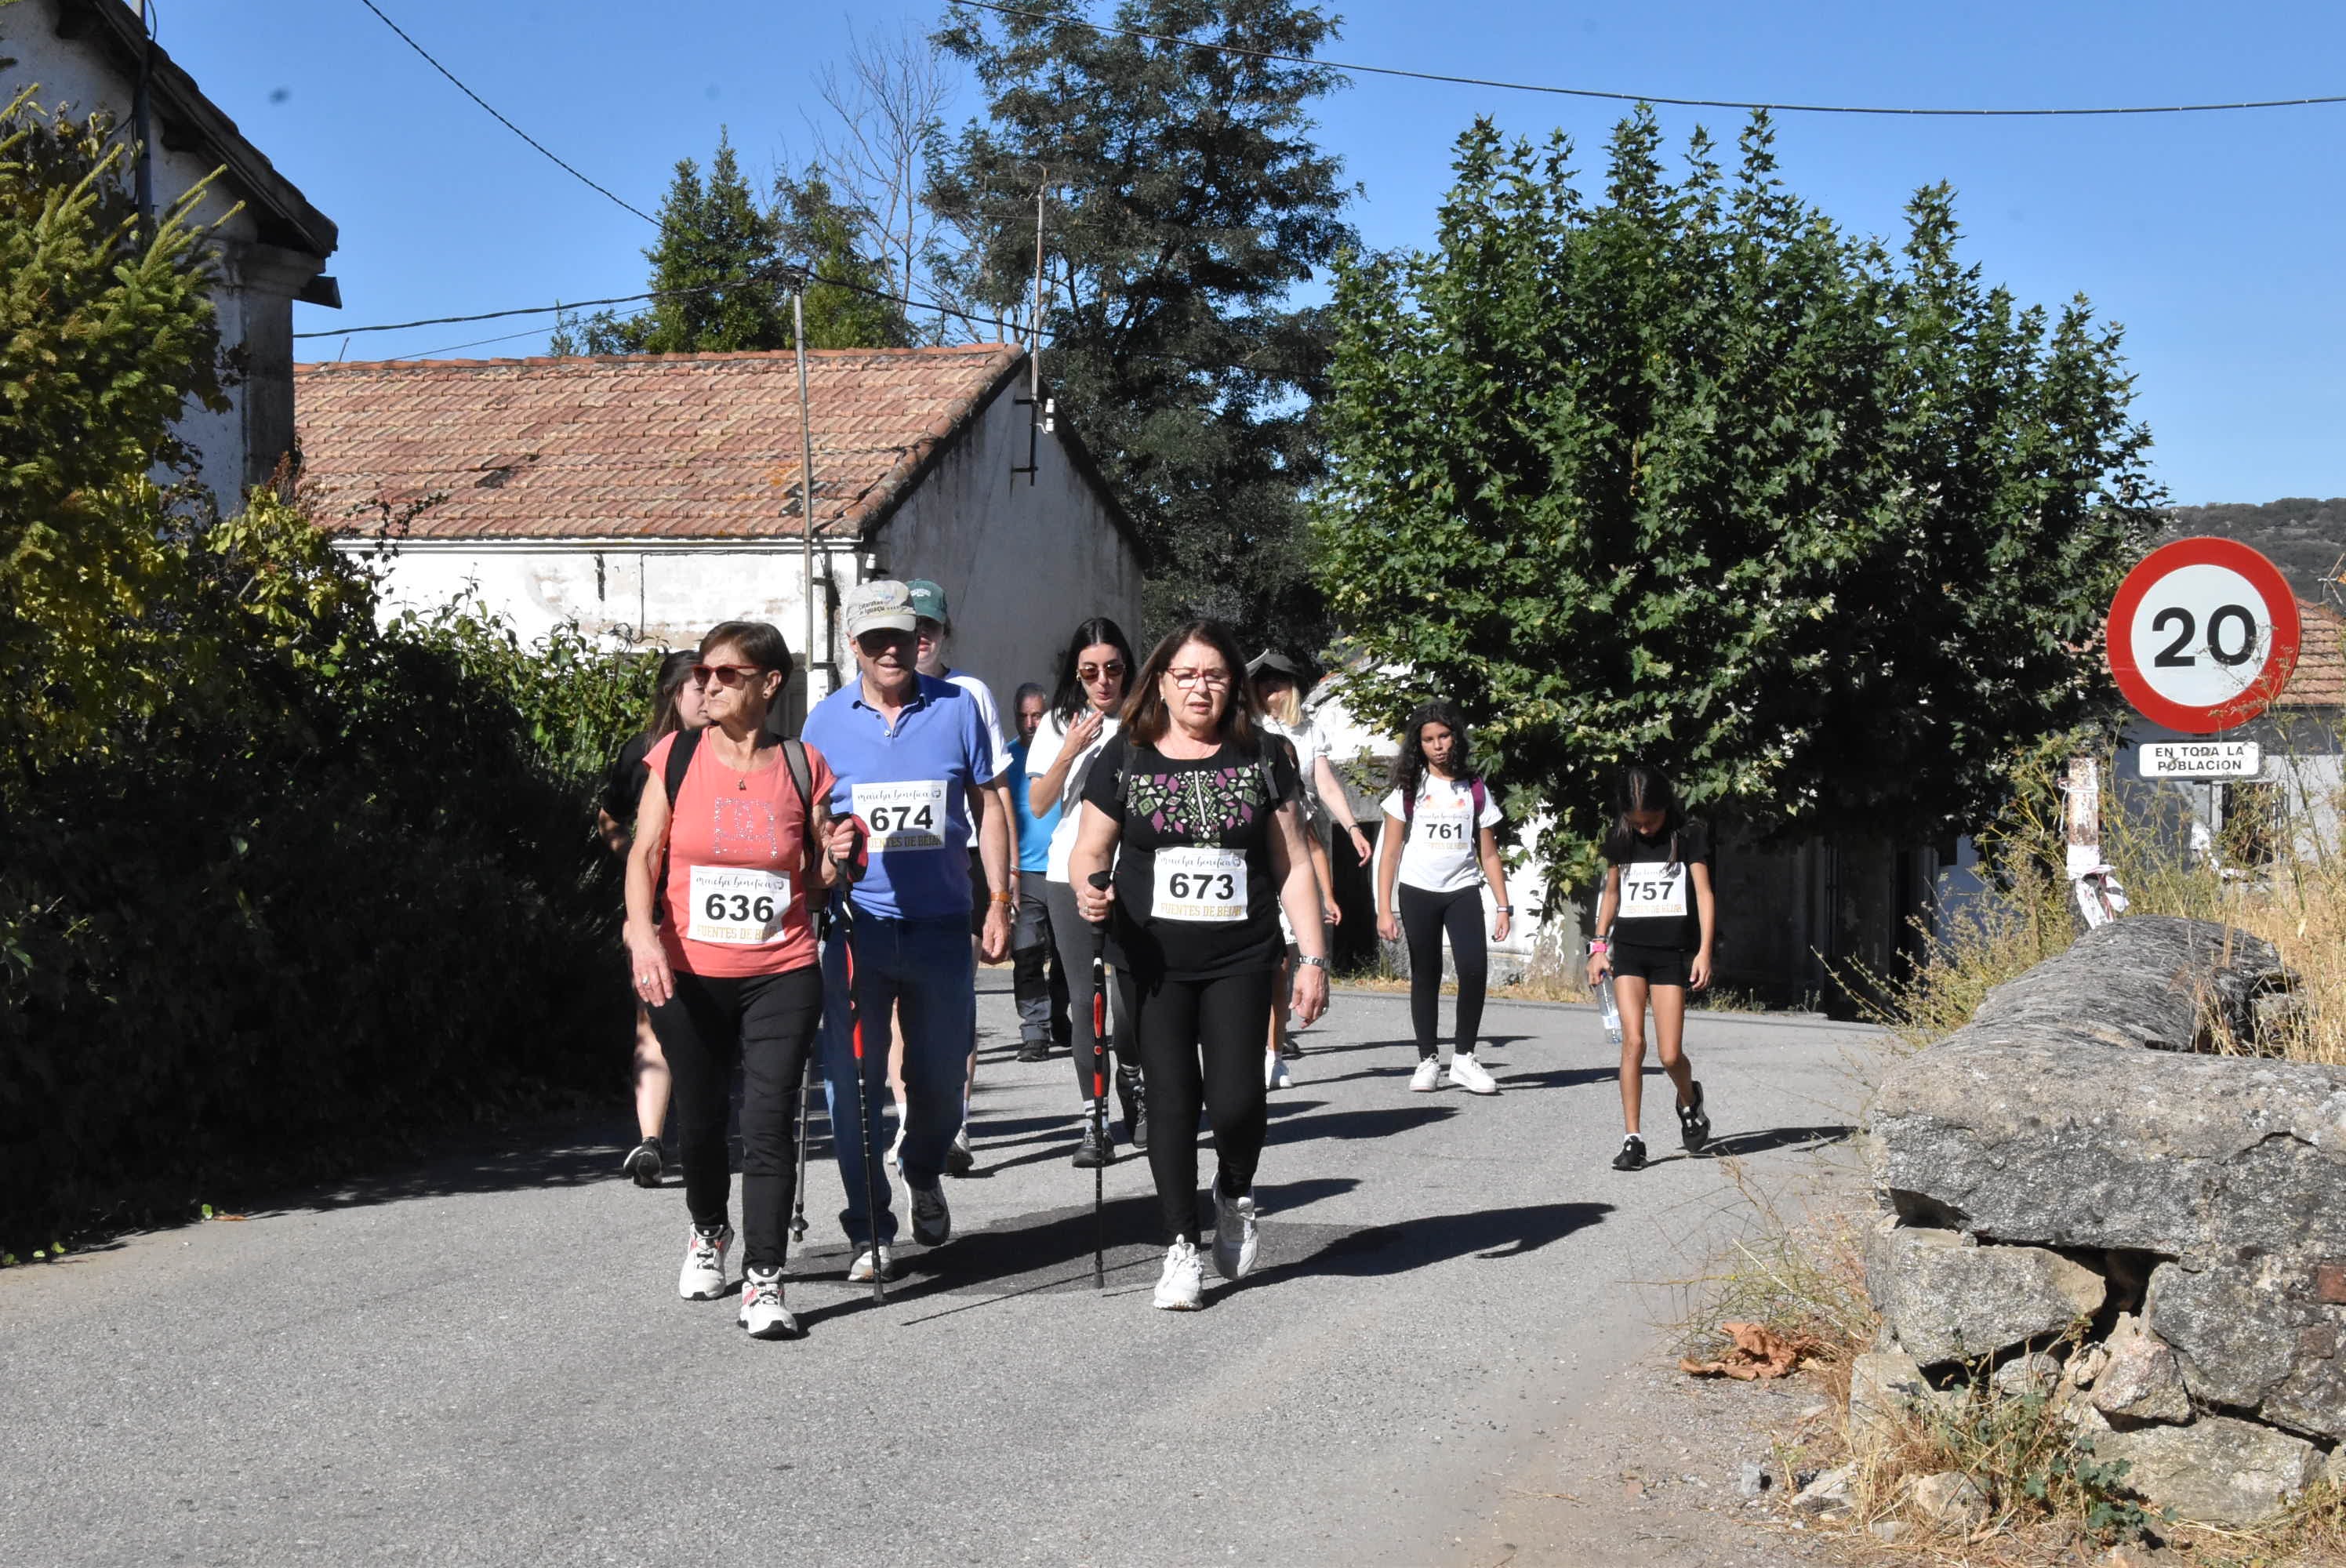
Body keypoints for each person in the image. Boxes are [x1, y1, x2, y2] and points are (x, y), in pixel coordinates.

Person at [1071, 619, 1330, 1311]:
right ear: (1160, 681)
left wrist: (1312, 957)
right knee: (1173, 1106)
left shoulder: (1265, 755)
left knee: (1240, 1097)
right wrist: (1088, 889)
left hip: (1242, 955)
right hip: (1151, 960)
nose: (1199, 687)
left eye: (1214, 675)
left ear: (1234, 685)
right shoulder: (1126, 756)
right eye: (1185, 675)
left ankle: (1236, 1191)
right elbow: (1090, 848)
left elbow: (1293, 863)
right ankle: (1179, 1246)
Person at [622, 621, 849, 1339]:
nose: (708, 685)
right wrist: (640, 936)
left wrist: (838, 857)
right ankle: (707, 1229)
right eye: (703, 673)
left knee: (769, 1120)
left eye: (726, 674)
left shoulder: (802, 763)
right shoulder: (677, 756)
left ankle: (765, 1279)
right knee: (702, 1116)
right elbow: (644, 853)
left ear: (769, 684)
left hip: (780, 970)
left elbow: (815, 876)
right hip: (688, 971)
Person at [803, 580, 1011, 1279]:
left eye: (902, 635)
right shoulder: (823, 724)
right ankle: (868, 1228)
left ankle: (923, 1166)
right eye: (874, 640)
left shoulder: (957, 708)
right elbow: (808, 823)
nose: (891, 649)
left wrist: (1000, 900)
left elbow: (988, 803)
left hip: (943, 926)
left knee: (941, 1077)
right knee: (850, 1081)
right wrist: (822, 864)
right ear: (852, 647)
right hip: (858, 928)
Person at [903, 579, 1015, 1178]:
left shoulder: (969, 693)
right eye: (911, 627)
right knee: (899, 1002)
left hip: (964, 860)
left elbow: (993, 793)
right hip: (897, 865)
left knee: (954, 993)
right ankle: (906, 1118)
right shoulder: (868, 696)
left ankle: (958, 1120)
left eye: (931, 628)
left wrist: (1006, 884)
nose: (920, 639)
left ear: (945, 634)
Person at [1025, 616, 1144, 1166]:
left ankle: (1135, 1082)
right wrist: (1070, 748)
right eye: (1090, 671)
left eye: (1113, 668)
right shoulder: (1057, 722)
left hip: (1138, 873)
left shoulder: (1148, 719)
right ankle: (1094, 1120)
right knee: (1085, 1000)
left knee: (1133, 1003)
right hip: (1069, 874)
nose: (1103, 681)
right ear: (1076, 672)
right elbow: (1040, 804)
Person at [597, 649, 706, 1187]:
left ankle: (702, 1133)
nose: (709, 698)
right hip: (654, 912)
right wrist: (637, 854)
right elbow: (609, 815)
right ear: (673, 694)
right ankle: (649, 1142)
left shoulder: (724, 751)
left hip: (709, 915)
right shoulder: (639, 754)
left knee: (704, 1024)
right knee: (651, 1017)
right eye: (698, 688)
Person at [1375, 702, 1513, 1096]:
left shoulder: (1473, 788)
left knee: (1473, 969)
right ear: (1418, 744)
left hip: (1463, 891)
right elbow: (1390, 852)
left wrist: (1503, 906)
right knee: (1426, 973)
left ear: (1456, 737)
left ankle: (1465, 1059)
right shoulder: (1408, 789)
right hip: (1418, 892)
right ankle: (1428, 1060)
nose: (1438, 746)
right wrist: (1384, 907)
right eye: (1429, 739)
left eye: (1444, 736)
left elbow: (1488, 853)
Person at [1585, 761, 1716, 1171]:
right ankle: (1633, 1139)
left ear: (1665, 806)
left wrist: (1704, 951)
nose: (1644, 829)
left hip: (1671, 956)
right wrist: (1598, 945)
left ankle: (1689, 1099)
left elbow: (1705, 895)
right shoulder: (1620, 838)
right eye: (1635, 822)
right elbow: (1611, 893)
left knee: (1670, 1054)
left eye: (1650, 820)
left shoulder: (1688, 835)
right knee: (1633, 1044)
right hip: (1629, 954)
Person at [1263, 731, 1341, 1091]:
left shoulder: (1300, 803)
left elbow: (1315, 851)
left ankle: (1273, 1056)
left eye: (1292, 760)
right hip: (1255, 896)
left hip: (1290, 898)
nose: (1288, 765)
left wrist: (1327, 896)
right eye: (1283, 758)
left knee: (1281, 974)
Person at [1008, 681, 1070, 1062]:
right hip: (1025, 873)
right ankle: (1034, 1031)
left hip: (1065, 869)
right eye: (1024, 716)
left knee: (1067, 954)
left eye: (1037, 716)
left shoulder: (1064, 754)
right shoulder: (1007, 759)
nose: (1031, 723)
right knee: (1027, 953)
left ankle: (1059, 1013)